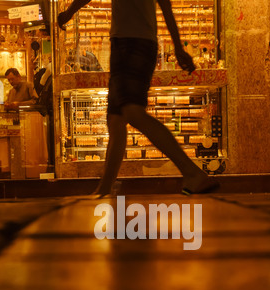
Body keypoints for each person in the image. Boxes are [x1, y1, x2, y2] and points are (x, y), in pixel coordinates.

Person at [58, 0, 219, 196]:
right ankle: (104, 188)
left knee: (132, 112)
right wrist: (177, 46)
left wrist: (69, 13)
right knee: (115, 120)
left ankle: (192, 172)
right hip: (127, 42)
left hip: (134, 43)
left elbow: (165, 4)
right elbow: (166, 5)